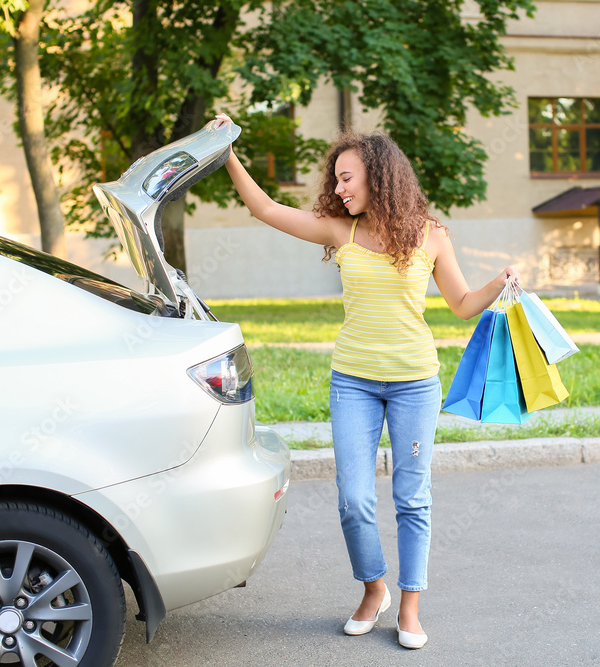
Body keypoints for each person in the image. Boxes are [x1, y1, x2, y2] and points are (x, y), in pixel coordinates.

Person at [214, 113, 518, 649]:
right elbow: (265, 208)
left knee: (412, 498)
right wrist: (228, 151)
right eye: (335, 178)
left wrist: (500, 282)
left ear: (378, 177)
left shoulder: (432, 236)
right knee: (354, 498)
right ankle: (372, 589)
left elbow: (462, 304)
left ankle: (410, 607)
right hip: (352, 380)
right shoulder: (341, 229)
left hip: (414, 382)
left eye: (346, 177)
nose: (337, 187)